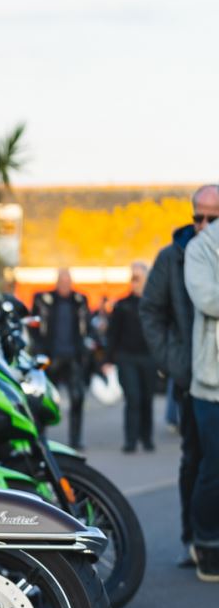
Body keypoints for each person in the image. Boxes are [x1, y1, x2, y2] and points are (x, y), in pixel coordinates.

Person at [142, 185, 219, 567]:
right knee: (196, 458)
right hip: (192, 376)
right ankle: (195, 538)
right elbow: (151, 313)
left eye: (212, 217)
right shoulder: (170, 258)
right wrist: (175, 363)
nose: (203, 224)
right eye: (198, 217)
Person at [181, 206, 219, 581]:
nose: (205, 221)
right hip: (210, 382)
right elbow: (208, 300)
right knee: (212, 467)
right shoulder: (199, 249)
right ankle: (205, 543)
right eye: (199, 214)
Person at [33, 268, 92, 449]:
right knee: (45, 400)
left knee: (77, 398)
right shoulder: (44, 300)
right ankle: (40, 437)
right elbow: (34, 324)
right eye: (62, 282)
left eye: (67, 282)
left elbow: (87, 327)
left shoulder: (79, 301)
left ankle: (75, 439)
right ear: (57, 282)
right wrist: (39, 349)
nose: (65, 285)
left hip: (73, 356)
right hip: (51, 357)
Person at [106, 261, 156, 452]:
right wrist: (108, 359)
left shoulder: (154, 304)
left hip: (149, 357)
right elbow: (113, 334)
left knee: (147, 399)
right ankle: (131, 440)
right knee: (133, 398)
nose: (135, 282)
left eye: (138, 277)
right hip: (127, 357)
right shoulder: (122, 305)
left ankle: (147, 438)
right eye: (132, 278)